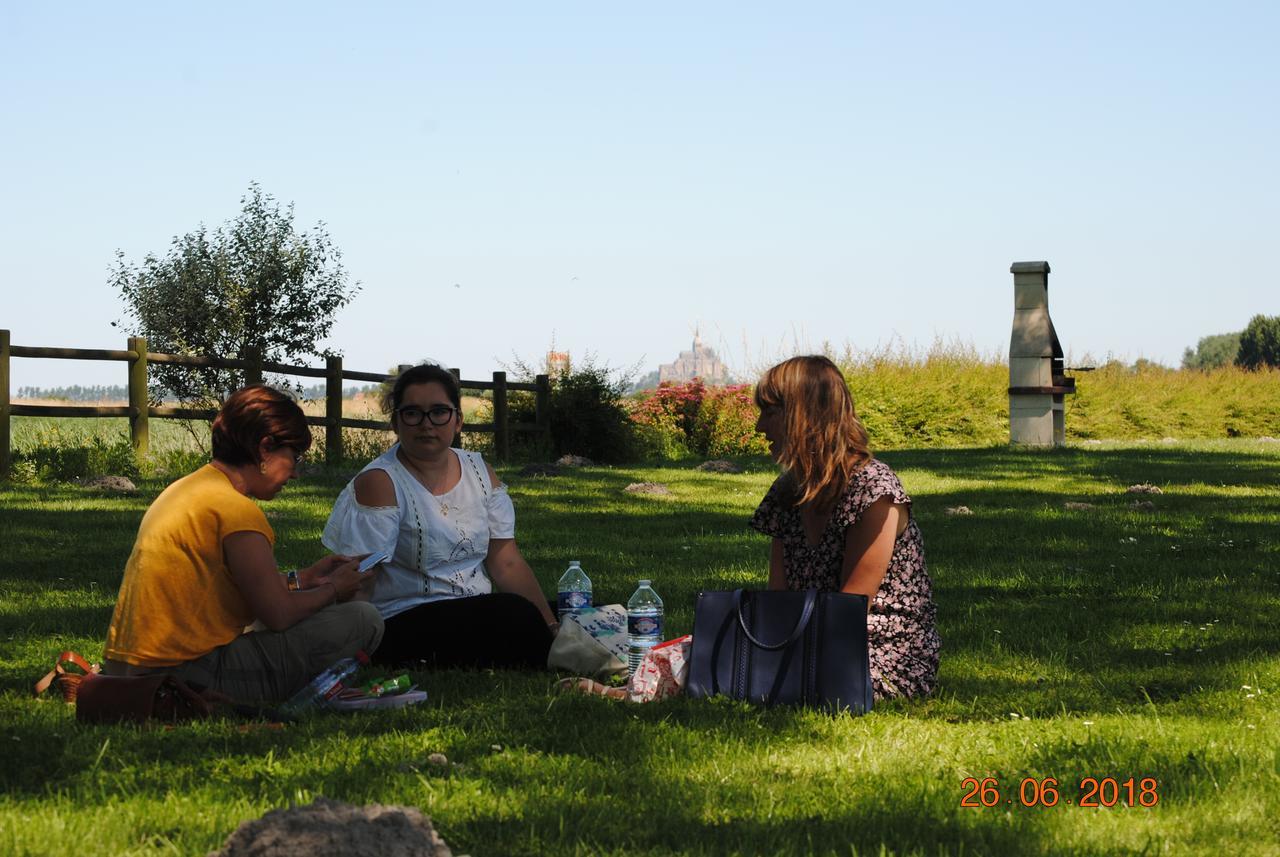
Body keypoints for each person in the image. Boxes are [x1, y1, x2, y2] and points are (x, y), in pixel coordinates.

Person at [103, 385, 384, 702]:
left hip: (125, 670)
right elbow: (279, 614)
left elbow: (237, 588)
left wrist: (304, 579)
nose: (295, 474)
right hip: (183, 677)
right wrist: (334, 588)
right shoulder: (238, 513)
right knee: (364, 619)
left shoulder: (186, 490)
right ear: (265, 449)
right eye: (294, 457)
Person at [322, 363, 557, 669]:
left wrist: (552, 624)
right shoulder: (381, 482)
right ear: (396, 422)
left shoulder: (479, 471)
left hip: (477, 610)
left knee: (572, 609)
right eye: (412, 413)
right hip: (405, 620)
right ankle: (557, 651)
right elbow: (361, 580)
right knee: (515, 614)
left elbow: (506, 561)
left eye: (438, 411)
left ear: (458, 420)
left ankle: (557, 640)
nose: (426, 424)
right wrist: (352, 653)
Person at [749, 355, 939, 700]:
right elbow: (777, 600)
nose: (760, 427)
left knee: (756, 679)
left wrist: (775, 662)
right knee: (702, 657)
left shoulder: (875, 491)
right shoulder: (788, 492)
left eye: (771, 413)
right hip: (808, 646)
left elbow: (850, 609)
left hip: (878, 657)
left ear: (804, 416)